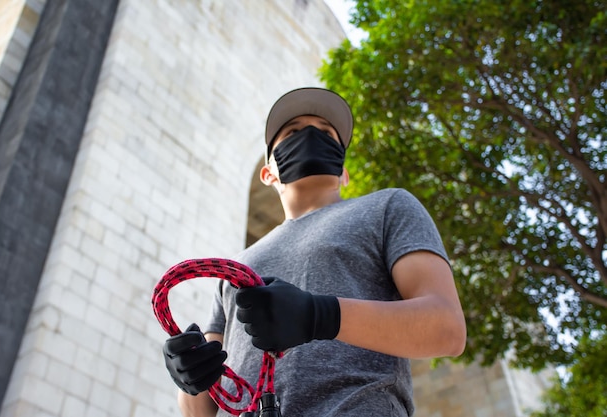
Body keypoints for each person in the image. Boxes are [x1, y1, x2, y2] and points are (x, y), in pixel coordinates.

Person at [163, 87, 467, 417]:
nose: (310, 135)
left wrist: (319, 316)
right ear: (268, 172)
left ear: (344, 172)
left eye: (325, 132)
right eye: (293, 132)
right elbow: (201, 411)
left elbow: (447, 328)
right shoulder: (234, 269)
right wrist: (189, 379)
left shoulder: (389, 207)